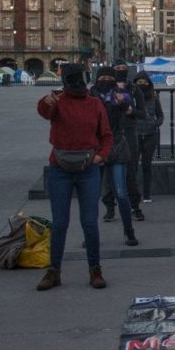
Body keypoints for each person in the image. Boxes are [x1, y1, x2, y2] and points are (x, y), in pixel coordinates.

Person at [36, 63, 112, 291]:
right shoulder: (57, 101)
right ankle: (54, 271)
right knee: (60, 224)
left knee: (89, 223)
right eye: (72, 78)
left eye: (78, 78)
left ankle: (95, 269)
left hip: (88, 169)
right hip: (59, 169)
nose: (76, 83)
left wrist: (100, 157)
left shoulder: (95, 104)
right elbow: (43, 111)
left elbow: (107, 136)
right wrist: (45, 101)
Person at [91, 66, 140, 247]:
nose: (105, 80)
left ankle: (129, 231)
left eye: (108, 77)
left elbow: (131, 111)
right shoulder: (89, 96)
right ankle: (90, 234)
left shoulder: (120, 96)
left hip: (117, 147)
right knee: (92, 195)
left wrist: (124, 104)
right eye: (102, 77)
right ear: (96, 79)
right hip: (95, 150)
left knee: (121, 192)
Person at [102, 59, 146, 222]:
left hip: (129, 132)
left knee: (131, 171)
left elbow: (142, 113)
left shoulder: (134, 89)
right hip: (109, 134)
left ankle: (135, 206)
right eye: (117, 68)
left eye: (123, 68)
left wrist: (130, 110)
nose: (121, 70)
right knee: (107, 173)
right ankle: (109, 207)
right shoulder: (103, 90)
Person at [134, 72, 164, 203]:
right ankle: (133, 193)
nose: (142, 85)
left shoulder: (154, 98)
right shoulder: (131, 98)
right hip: (135, 135)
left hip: (150, 135)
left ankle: (146, 194)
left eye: (144, 82)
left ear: (149, 84)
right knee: (132, 166)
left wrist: (155, 124)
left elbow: (160, 116)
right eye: (139, 82)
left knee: (147, 165)